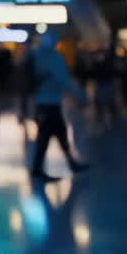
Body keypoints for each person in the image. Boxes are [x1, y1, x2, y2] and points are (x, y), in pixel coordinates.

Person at [28, 28, 89, 182]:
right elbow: (63, 80)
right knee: (47, 136)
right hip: (50, 104)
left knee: (58, 134)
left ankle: (70, 163)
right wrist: (80, 95)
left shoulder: (38, 57)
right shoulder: (53, 58)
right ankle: (38, 169)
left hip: (44, 103)